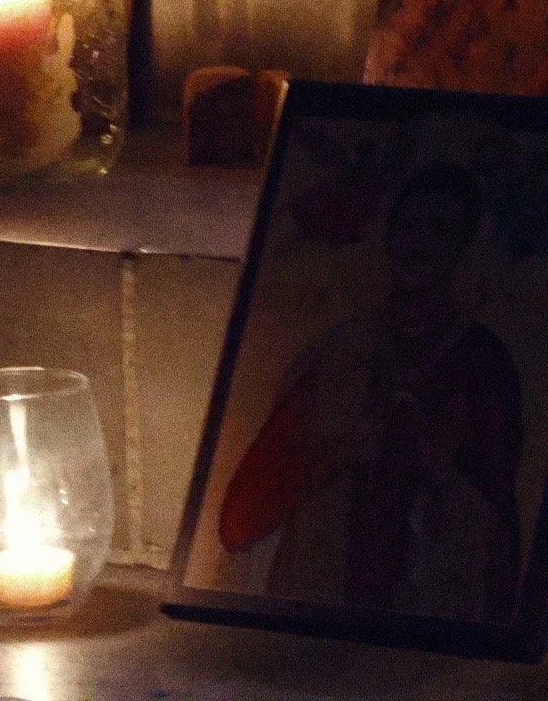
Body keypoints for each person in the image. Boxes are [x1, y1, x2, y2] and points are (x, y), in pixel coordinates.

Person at [217, 162, 523, 622]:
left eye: (440, 231)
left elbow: (498, 539)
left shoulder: (481, 363)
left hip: (429, 625)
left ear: (463, 247)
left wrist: (438, 466)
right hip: (317, 613)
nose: (421, 244)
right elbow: (242, 516)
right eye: (410, 227)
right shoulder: (338, 352)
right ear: (389, 236)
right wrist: (339, 454)